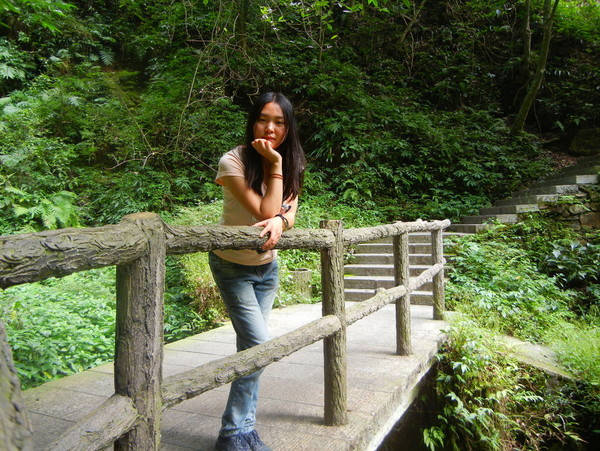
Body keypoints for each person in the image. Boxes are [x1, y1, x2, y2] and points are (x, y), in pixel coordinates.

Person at [209, 92, 305, 451]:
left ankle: (242, 430)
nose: (270, 128)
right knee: (259, 345)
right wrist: (274, 165)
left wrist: (282, 220)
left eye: (279, 122)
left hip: (267, 268)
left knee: (251, 348)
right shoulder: (232, 161)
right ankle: (234, 431)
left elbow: (287, 213)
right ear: (252, 122)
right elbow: (263, 212)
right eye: (263, 119)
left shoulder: (291, 163)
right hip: (232, 266)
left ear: (288, 127)